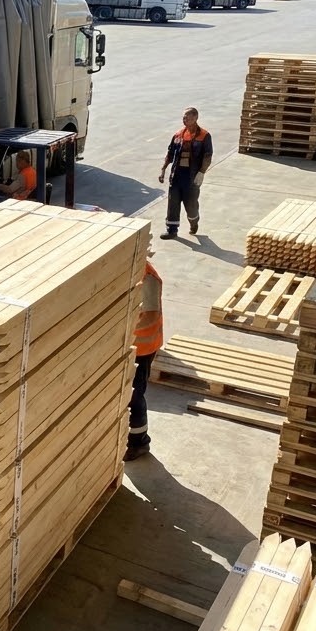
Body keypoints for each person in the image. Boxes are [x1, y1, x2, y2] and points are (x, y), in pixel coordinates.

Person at [125, 257, 164, 461]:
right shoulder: (128, 269)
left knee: (134, 395)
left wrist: (125, 327)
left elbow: (149, 316)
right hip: (131, 345)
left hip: (143, 347)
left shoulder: (147, 277)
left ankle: (139, 442)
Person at [158, 107, 213, 239]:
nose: (184, 120)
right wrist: (163, 169)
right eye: (183, 117)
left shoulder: (204, 136)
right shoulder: (178, 135)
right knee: (173, 202)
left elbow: (207, 156)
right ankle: (172, 230)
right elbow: (170, 154)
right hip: (177, 174)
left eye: (187, 118)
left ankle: (194, 222)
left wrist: (201, 172)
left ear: (195, 118)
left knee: (191, 204)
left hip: (192, 176)